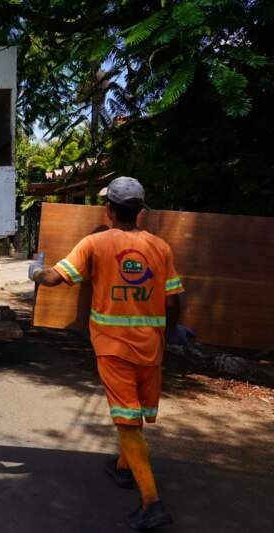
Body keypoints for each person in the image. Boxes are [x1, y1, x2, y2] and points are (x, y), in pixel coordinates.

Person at [28, 177, 186, 530]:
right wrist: (169, 331)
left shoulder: (94, 243)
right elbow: (173, 302)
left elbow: (55, 278)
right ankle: (123, 468)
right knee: (136, 413)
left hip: (114, 348)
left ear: (109, 209)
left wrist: (35, 272)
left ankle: (152, 503)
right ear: (140, 211)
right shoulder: (160, 248)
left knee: (126, 420)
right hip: (151, 348)